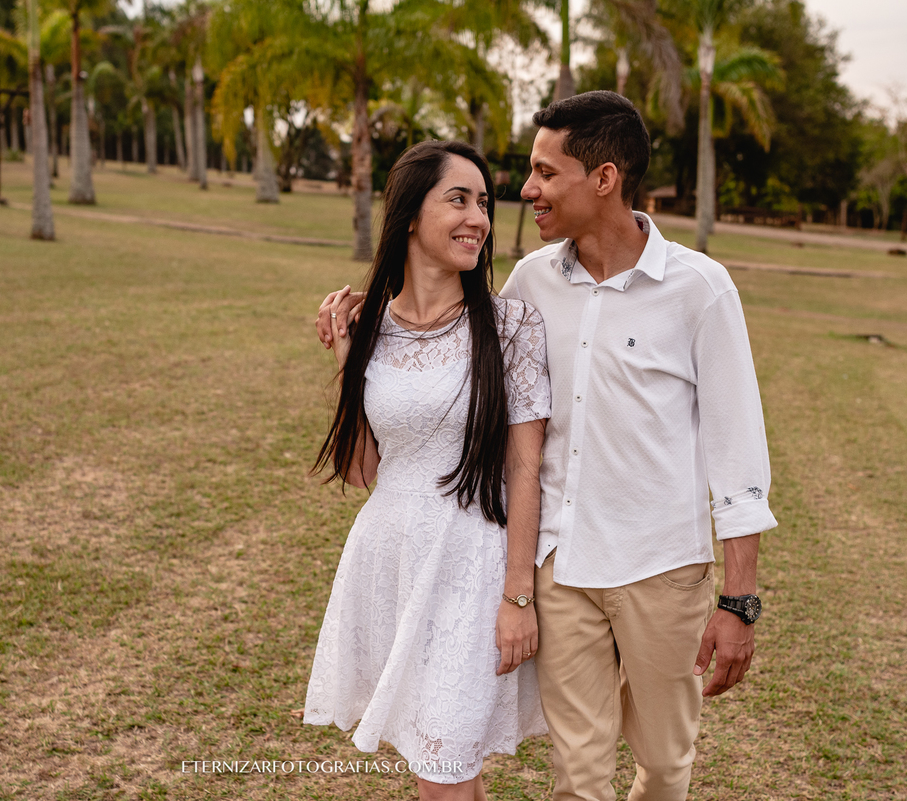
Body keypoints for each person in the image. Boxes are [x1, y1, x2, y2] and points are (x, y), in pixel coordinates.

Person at [317, 92, 776, 801]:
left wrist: (739, 598)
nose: (525, 191)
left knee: (662, 761)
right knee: (578, 772)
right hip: (559, 565)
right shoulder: (528, 286)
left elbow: (737, 451)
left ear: (604, 178)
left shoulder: (700, 288)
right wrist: (361, 334)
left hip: (661, 566)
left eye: (543, 172)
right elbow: (431, 346)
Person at [304, 139, 551, 801]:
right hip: (391, 560)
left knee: (444, 775)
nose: (479, 218)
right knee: (440, 771)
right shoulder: (374, 326)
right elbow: (362, 471)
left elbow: (525, 467)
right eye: (459, 199)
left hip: (471, 567)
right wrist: (348, 354)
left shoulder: (510, 324)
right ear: (411, 214)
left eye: (483, 202)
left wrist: (517, 595)